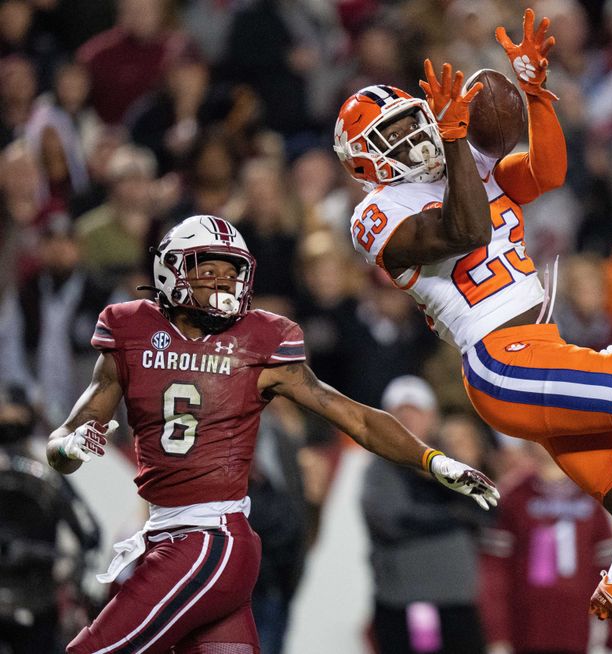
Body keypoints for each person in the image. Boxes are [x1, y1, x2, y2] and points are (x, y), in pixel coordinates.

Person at [334, 8, 612, 642]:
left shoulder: (464, 158)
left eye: (412, 121)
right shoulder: (376, 213)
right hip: (502, 361)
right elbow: (466, 230)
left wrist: (534, 93)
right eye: (392, 134)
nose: (411, 137)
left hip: (540, 352)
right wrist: (453, 140)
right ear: (365, 163)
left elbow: (547, 172)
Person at [46, 214, 499, 653]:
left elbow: (355, 417)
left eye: (233, 273)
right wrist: (71, 445)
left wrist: (432, 460)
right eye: (209, 270)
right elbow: (61, 443)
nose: (224, 283)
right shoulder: (131, 331)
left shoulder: (259, 340)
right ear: (171, 270)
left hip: (210, 538)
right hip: (168, 533)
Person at [362, 377, 492, 654]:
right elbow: (394, 521)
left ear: (432, 417)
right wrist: (454, 516)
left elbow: (485, 510)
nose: (408, 420)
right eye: (400, 413)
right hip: (405, 600)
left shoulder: (452, 464)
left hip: (457, 600)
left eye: (416, 412)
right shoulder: (380, 469)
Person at [480, 441, 612, 654]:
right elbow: (495, 570)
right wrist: (497, 632)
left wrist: (611, 623)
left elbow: (608, 566)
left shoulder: (590, 494)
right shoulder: (513, 495)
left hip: (578, 627)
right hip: (527, 626)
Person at [0, 384, 100, 654]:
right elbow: (90, 534)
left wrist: (72, 580)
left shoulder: (47, 476)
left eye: (12, 413)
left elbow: (90, 535)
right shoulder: (46, 475)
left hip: (38, 604)